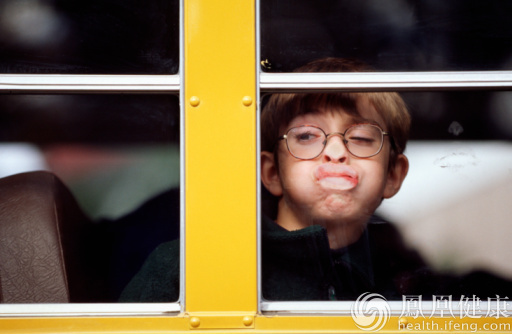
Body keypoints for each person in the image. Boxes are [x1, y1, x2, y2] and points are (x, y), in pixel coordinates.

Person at [118, 58, 475, 302]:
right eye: (306, 136)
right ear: (271, 173)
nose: (335, 151)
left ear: (393, 176)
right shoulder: (187, 269)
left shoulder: (404, 281)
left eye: (362, 138)